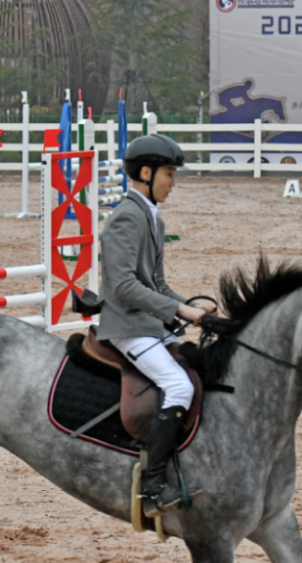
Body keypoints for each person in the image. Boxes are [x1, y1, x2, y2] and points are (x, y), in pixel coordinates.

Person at [97, 133, 214, 518]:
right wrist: (180, 313)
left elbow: (157, 284)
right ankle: (151, 489)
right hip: (127, 326)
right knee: (178, 385)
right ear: (145, 173)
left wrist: (189, 306)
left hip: (147, 321)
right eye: (168, 173)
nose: (172, 182)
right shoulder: (125, 219)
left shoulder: (152, 217)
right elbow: (124, 286)